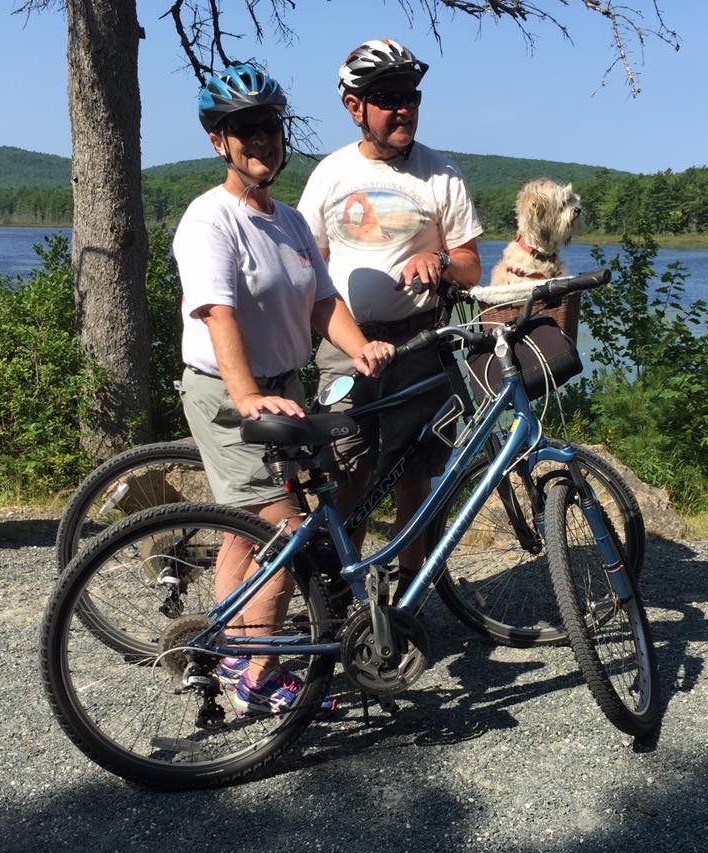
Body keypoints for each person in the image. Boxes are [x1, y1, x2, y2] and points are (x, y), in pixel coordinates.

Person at [172, 63, 394, 715]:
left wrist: (361, 348)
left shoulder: (291, 222)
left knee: (248, 531)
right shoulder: (210, 219)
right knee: (286, 533)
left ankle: (233, 644)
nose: (261, 140)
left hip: (283, 388)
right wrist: (246, 397)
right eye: (244, 130)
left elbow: (324, 301)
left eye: (269, 126)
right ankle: (259, 678)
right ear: (220, 141)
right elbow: (218, 314)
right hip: (228, 394)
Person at [298, 39, 483, 602]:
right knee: (347, 469)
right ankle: (340, 589)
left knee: (413, 476)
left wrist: (443, 260)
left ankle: (407, 596)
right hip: (344, 347)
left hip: (417, 342)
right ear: (356, 107)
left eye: (410, 96)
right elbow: (308, 266)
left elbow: (473, 267)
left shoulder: (441, 175)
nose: (403, 108)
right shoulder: (331, 174)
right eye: (388, 98)